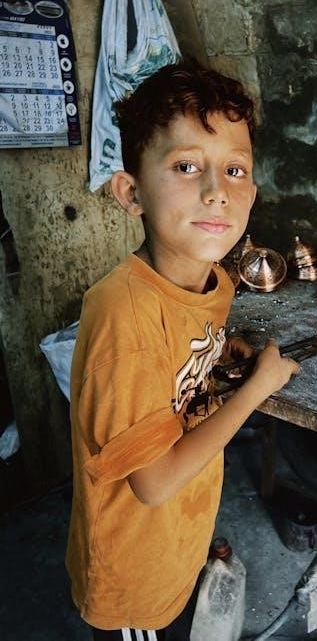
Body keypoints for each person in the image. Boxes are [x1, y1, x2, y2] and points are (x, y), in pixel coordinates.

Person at [66, 61, 300, 641]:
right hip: (133, 575)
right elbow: (151, 483)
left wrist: (216, 356)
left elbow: (177, 361)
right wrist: (253, 391)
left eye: (234, 170)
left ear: (252, 193)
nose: (216, 191)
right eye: (186, 166)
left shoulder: (209, 280)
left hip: (178, 537)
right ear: (131, 192)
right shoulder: (124, 316)